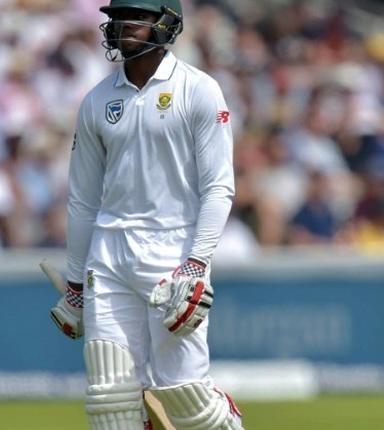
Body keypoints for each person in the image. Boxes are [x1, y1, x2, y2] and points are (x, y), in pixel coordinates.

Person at [49, 1, 243, 428]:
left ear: (167, 23)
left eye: (139, 15)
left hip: (174, 256)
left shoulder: (199, 89)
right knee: (111, 398)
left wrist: (196, 263)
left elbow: (219, 187)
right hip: (109, 256)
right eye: (120, 16)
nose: (124, 24)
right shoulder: (97, 100)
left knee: (185, 398)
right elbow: (82, 200)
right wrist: (76, 283)